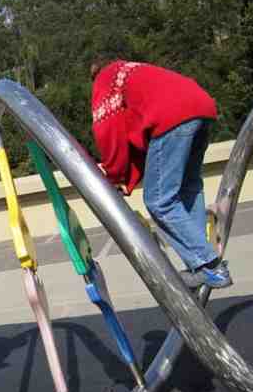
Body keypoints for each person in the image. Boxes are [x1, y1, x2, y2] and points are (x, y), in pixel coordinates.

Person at [90, 57, 232, 289]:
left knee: (159, 201)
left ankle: (211, 266)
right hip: (201, 107)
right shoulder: (134, 72)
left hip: (172, 117)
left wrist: (113, 175)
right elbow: (147, 148)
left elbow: (109, 132)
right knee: (188, 189)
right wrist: (127, 180)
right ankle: (198, 265)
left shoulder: (105, 79)